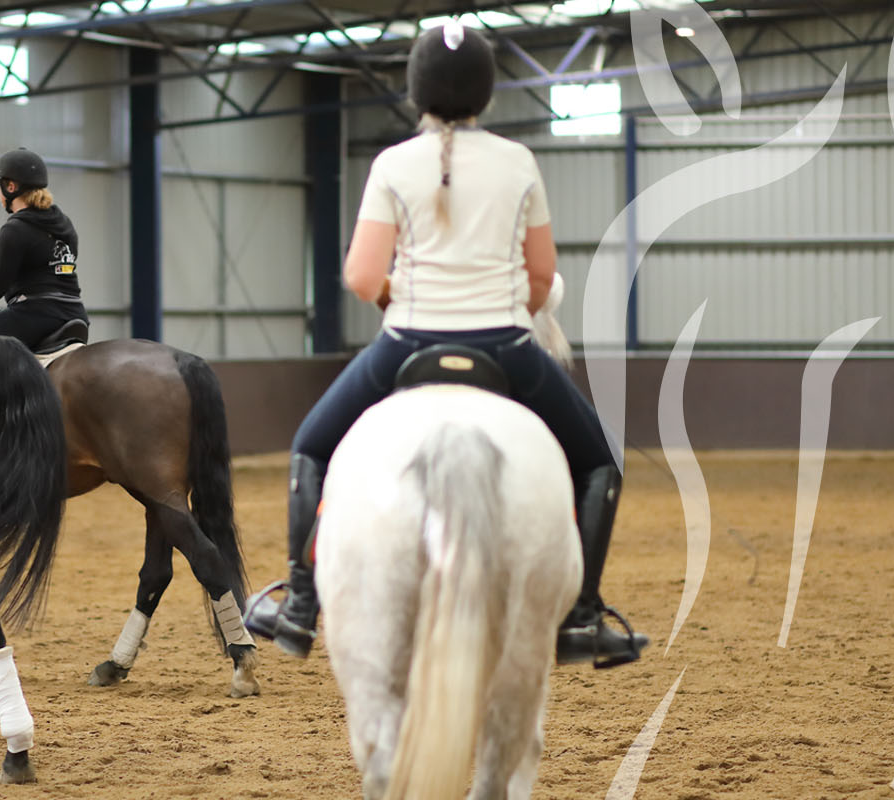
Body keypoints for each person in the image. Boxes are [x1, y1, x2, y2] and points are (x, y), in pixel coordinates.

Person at [243, 24, 649, 668]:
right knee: (600, 461)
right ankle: (581, 617)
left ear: (417, 93)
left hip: (406, 344)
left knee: (310, 446)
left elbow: (359, 276)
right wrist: (503, 306)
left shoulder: (392, 164)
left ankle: (297, 605)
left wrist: (399, 300)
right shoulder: (518, 162)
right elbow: (542, 277)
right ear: (485, 92)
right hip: (507, 347)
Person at [0, 148, 90, 349]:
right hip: (75, 314)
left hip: (36, 316)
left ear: (10, 187)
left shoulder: (15, 229)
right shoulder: (65, 224)